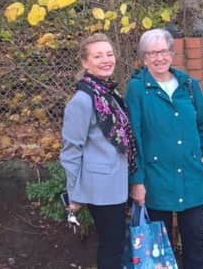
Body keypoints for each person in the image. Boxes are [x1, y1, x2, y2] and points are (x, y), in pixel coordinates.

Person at [126, 28, 203, 269]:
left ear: (172, 54)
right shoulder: (137, 89)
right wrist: (137, 181)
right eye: (152, 53)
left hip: (191, 176)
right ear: (144, 57)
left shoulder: (188, 85)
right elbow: (132, 137)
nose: (159, 58)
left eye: (164, 51)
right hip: (156, 179)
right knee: (157, 250)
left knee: (195, 244)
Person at [60, 33, 137, 269]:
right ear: (85, 63)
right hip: (101, 188)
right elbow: (71, 151)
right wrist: (74, 195)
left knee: (115, 243)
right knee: (111, 246)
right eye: (98, 56)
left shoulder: (108, 94)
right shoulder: (83, 100)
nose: (106, 59)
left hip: (118, 181)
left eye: (109, 54)